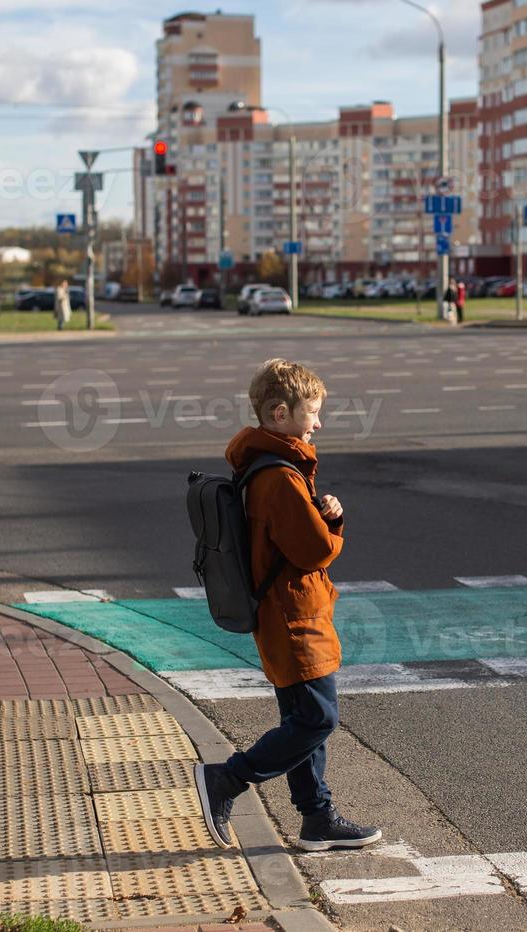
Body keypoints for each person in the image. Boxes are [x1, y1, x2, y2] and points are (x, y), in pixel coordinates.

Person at [194, 359, 382, 853]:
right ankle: (227, 778)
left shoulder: (265, 467)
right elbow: (314, 550)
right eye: (312, 412)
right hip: (294, 614)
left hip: (284, 610)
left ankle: (317, 818)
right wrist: (333, 523)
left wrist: (317, 511)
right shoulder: (279, 476)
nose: (317, 423)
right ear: (281, 413)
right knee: (318, 719)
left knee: (302, 721)